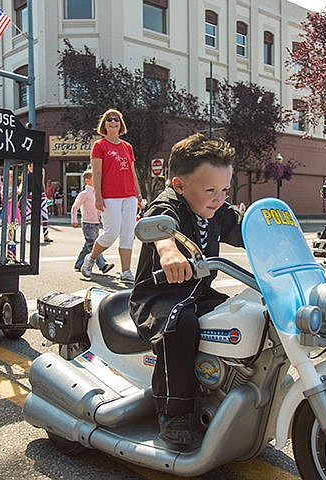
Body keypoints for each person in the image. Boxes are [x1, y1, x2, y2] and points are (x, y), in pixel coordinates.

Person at [129, 133, 243, 448]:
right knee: (180, 326)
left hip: (200, 294)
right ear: (180, 185)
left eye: (225, 189)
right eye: (210, 190)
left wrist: (276, 237)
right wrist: (168, 251)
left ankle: (226, 387)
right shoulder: (170, 204)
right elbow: (157, 221)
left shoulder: (218, 209)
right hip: (159, 297)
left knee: (245, 316)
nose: (219, 198)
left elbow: (245, 229)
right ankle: (174, 410)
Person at [80, 109, 143, 283]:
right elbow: (97, 173)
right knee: (112, 232)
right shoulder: (99, 145)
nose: (113, 121)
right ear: (105, 124)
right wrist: (98, 196)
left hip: (129, 194)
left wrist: (138, 195)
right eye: (109, 119)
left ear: (120, 123)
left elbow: (132, 172)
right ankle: (91, 258)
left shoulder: (127, 147)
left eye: (116, 119)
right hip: (110, 196)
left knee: (127, 233)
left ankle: (126, 271)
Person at [71, 169, 114, 274]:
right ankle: (102, 265)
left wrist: (101, 219)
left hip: (95, 223)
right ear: (87, 181)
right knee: (93, 245)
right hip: (87, 223)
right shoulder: (84, 193)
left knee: (88, 245)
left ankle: (78, 264)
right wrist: (74, 220)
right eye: (94, 178)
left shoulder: (97, 193)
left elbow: (99, 209)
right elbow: (75, 207)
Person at [24, 163, 52, 243]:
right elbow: (24, 183)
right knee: (27, 216)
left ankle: (46, 236)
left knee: (44, 215)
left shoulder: (42, 170)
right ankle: (24, 235)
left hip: (41, 194)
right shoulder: (26, 170)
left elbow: (42, 183)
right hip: (30, 194)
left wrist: (45, 195)